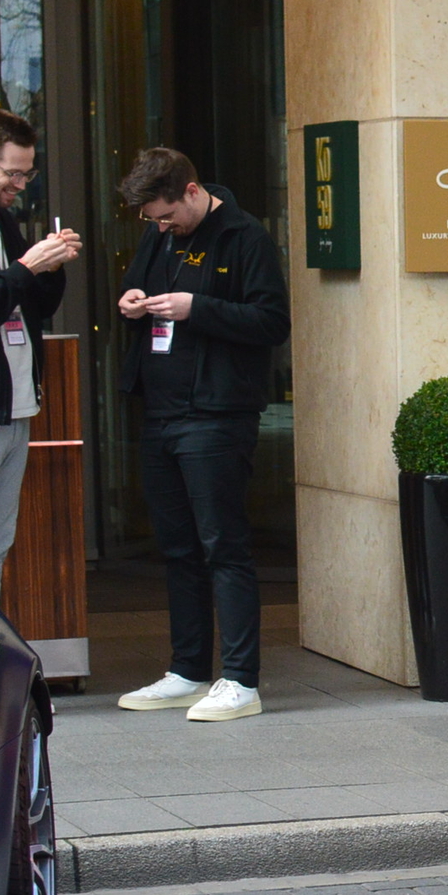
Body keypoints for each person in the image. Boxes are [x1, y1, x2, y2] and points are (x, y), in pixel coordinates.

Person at [113, 147, 291, 723]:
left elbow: (272, 321)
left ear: (191, 191)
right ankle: (188, 670)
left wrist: (198, 308)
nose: (161, 226)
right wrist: (132, 302)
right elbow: (135, 287)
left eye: (166, 215)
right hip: (161, 410)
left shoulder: (245, 238)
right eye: (152, 221)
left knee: (223, 546)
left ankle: (240, 679)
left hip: (217, 412)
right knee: (179, 548)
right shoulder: (158, 234)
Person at [0, 108, 76, 606]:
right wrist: (27, 267)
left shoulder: (4, 221)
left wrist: (53, 264)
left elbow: (35, 306)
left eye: (28, 173)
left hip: (14, 410)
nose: (21, 184)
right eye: (14, 173)